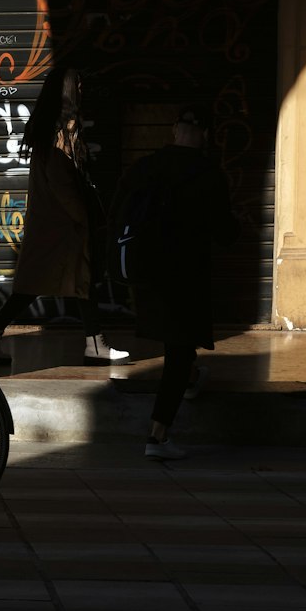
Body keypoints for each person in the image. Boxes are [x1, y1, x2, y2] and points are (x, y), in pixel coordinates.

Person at [0, 64, 129, 368]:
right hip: (63, 226)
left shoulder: (53, 126)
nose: (82, 90)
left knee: (59, 284)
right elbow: (61, 179)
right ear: (67, 90)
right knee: (64, 283)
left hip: (55, 225)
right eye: (78, 84)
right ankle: (94, 345)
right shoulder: (60, 130)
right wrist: (83, 216)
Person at [109, 104, 239, 460]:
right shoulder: (208, 174)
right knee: (178, 352)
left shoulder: (144, 168)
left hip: (146, 277)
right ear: (206, 136)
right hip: (185, 276)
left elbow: (117, 215)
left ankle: (191, 378)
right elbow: (226, 232)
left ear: (173, 130)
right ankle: (157, 436)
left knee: (177, 347)